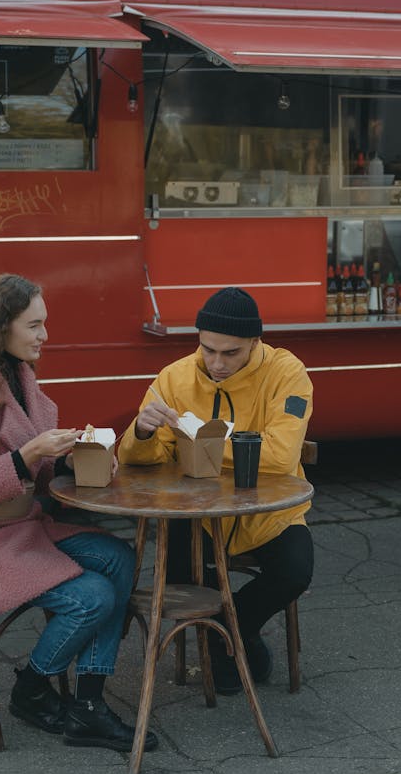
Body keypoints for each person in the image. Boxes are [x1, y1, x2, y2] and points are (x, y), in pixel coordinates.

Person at [0, 273, 156, 753]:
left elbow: (37, 471)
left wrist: (77, 457)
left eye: (44, 324)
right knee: (93, 597)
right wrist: (27, 456)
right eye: (34, 325)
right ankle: (32, 688)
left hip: (18, 526)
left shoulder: (19, 377)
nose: (45, 335)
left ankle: (87, 705)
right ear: (0, 328)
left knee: (120, 558)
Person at [118, 286, 313, 693]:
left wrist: (196, 445)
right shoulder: (174, 376)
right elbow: (136, 460)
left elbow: (279, 457)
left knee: (296, 571)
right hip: (200, 517)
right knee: (175, 575)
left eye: (231, 353)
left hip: (268, 516)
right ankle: (226, 647)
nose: (217, 363)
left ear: (255, 344)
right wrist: (141, 431)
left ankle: (231, 628)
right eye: (208, 350)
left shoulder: (287, 371)